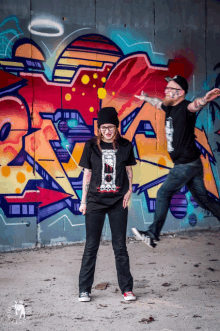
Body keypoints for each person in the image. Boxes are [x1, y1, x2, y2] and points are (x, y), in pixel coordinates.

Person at [132, 75, 220, 248]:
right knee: (204, 201)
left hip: (186, 164)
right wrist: (146, 98)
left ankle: (152, 235)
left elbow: (196, 105)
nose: (165, 91)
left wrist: (206, 99)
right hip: (192, 163)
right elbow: (157, 102)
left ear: (180, 92)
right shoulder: (168, 106)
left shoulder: (186, 107)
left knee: (163, 193)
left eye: (169, 89)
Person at [78, 106, 137, 302]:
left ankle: (127, 289)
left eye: (111, 127)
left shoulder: (126, 145)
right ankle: (84, 290)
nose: (107, 131)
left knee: (120, 246)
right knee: (91, 246)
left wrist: (129, 190)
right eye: (103, 127)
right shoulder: (91, 146)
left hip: (117, 202)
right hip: (95, 201)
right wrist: (83, 200)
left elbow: (129, 170)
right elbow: (86, 174)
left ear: (117, 127)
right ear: (99, 128)